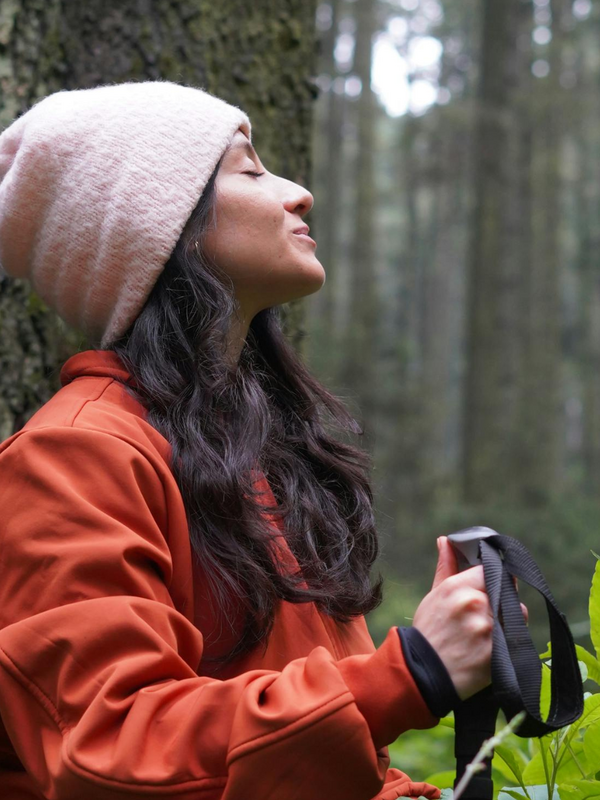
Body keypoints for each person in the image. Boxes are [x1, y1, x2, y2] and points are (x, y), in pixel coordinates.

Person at [0, 80, 503, 800]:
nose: (297, 193)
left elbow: (317, 771)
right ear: (159, 226)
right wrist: (412, 671)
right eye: (250, 170)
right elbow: (111, 745)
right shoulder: (74, 459)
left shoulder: (253, 461)